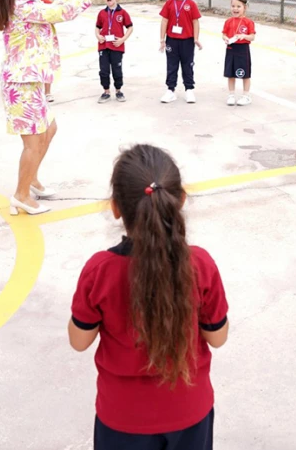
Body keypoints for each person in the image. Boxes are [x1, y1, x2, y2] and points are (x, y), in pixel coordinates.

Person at [69, 144, 228, 450]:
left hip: (123, 417)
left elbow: (79, 341)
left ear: (115, 207)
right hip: (189, 410)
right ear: (180, 200)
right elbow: (217, 337)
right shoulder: (200, 264)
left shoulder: (99, 270)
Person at [0, 0, 110, 216]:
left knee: (49, 129)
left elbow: (52, 8)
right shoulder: (23, 5)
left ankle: (30, 178)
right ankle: (21, 196)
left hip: (28, 82)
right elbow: (61, 13)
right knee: (34, 142)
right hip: (22, 85)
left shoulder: (24, 5)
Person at [159, 0, 203, 104]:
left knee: (187, 65)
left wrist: (196, 38)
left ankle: (189, 89)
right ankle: (170, 90)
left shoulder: (191, 4)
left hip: (187, 41)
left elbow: (196, 22)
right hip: (172, 40)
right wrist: (162, 39)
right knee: (171, 65)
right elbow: (164, 21)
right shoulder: (169, 3)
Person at [95, 0, 133, 103]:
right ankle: (106, 91)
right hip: (103, 46)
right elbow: (97, 27)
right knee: (104, 70)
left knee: (117, 69)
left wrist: (122, 39)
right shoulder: (101, 13)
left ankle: (118, 90)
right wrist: (98, 35)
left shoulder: (122, 13)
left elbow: (130, 27)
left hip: (117, 47)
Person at [223, 0, 256, 106]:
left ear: (244, 8)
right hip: (231, 48)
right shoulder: (228, 21)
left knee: (245, 74)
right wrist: (226, 38)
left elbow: (252, 36)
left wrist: (244, 36)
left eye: (238, 6)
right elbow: (224, 34)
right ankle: (231, 95)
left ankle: (246, 96)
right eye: (233, 6)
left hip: (243, 49)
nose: (235, 9)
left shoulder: (248, 22)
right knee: (230, 73)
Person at [32, 0, 61, 103]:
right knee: (34, 66)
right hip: (32, 41)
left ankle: (47, 92)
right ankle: (35, 92)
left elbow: (56, 16)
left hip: (47, 40)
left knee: (47, 65)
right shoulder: (26, 4)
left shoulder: (47, 3)